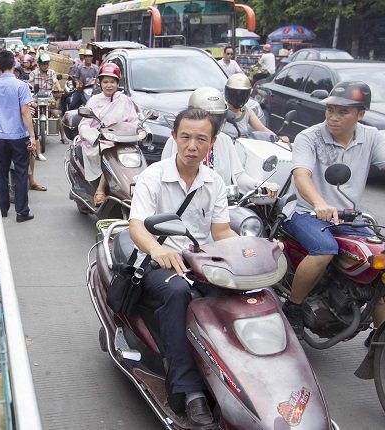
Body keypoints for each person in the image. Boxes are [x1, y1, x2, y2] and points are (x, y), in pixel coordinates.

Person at [281, 81, 385, 338]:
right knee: (324, 249)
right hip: (307, 214)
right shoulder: (309, 137)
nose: (333, 117)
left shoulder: (370, 137)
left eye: (343, 112)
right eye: (330, 110)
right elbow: (301, 175)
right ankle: (294, 305)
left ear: (361, 114)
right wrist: (319, 202)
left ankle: (384, 337)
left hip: (349, 217)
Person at [129, 107, 237, 426]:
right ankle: (189, 391)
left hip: (201, 262)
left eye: (200, 139)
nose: (192, 145)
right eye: (186, 137)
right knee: (178, 293)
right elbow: (137, 227)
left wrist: (252, 247)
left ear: (212, 143)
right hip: (158, 263)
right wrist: (157, 248)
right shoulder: (154, 176)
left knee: (244, 296)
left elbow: (221, 232)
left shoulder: (213, 181)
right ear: (174, 137)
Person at [161, 87, 272, 194]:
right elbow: (165, 177)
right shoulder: (175, 141)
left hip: (221, 205)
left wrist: (260, 186)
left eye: (217, 118)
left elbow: (238, 176)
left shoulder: (224, 140)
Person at [77, 63, 138, 206]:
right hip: (100, 141)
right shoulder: (94, 100)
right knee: (107, 150)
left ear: (117, 83)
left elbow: (134, 120)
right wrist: (94, 135)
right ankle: (100, 189)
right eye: (105, 82)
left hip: (122, 140)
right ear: (100, 83)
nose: (109, 85)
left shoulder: (124, 100)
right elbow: (84, 124)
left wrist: (138, 130)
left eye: (112, 82)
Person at [0, 49, 36, 222]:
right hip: (19, 136)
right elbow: (25, 111)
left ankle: (2, 209)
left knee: (0, 173)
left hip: (0, 136)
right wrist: (32, 136)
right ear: (14, 64)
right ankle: (22, 212)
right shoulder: (20, 86)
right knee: (21, 173)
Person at [221, 73, 275, 140]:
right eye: (235, 94)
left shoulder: (246, 110)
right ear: (227, 92)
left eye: (242, 94)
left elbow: (262, 129)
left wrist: (278, 138)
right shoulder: (219, 109)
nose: (238, 97)